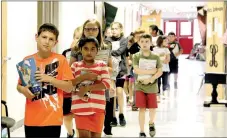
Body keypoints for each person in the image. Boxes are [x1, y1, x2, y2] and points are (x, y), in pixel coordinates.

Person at [16, 23, 74, 138]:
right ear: (36, 37)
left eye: (51, 39)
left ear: (55, 42)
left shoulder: (61, 60)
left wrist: (50, 79)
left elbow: (69, 87)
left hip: (52, 119)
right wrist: (23, 90)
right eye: (44, 37)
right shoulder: (27, 60)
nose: (47, 41)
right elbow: (19, 85)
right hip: (32, 119)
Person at [70, 37, 111, 138]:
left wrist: (87, 88)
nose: (89, 52)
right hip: (80, 108)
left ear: (97, 50)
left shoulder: (102, 65)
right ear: (80, 50)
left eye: (92, 49)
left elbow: (106, 84)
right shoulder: (75, 66)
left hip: (98, 108)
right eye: (85, 48)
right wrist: (85, 77)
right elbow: (69, 84)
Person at [132, 34, 163, 137]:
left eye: (147, 41)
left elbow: (160, 71)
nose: (144, 44)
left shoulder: (156, 56)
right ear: (139, 43)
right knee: (141, 108)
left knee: (152, 108)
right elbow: (136, 70)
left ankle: (151, 123)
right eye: (142, 41)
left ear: (151, 43)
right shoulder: (136, 56)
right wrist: (152, 70)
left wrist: (150, 79)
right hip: (139, 85)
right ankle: (141, 131)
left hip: (152, 86)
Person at [62, 26, 82, 138]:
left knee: (79, 116)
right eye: (76, 38)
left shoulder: (87, 54)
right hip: (67, 89)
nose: (77, 41)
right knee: (67, 116)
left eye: (80, 38)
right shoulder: (65, 53)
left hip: (80, 88)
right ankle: (70, 133)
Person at [106, 22, 128, 127]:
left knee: (119, 91)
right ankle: (113, 116)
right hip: (111, 70)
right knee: (112, 92)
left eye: (116, 29)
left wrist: (110, 52)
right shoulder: (107, 40)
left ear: (120, 29)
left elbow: (120, 51)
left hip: (120, 70)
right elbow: (105, 51)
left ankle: (121, 114)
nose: (114, 30)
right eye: (112, 28)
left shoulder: (124, 40)